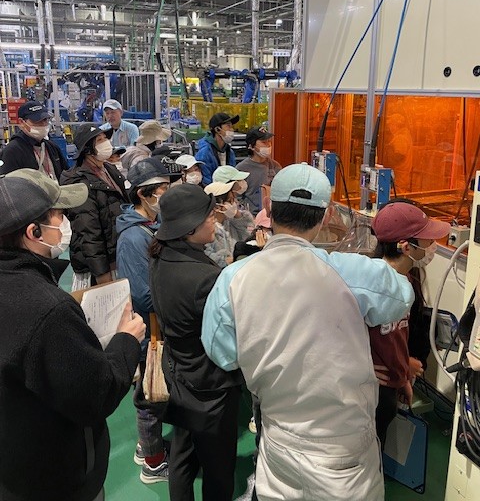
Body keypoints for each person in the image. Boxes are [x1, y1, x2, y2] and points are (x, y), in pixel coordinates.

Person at [202, 163, 414, 501]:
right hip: (344, 449)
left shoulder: (232, 279)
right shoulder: (356, 272)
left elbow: (223, 354)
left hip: (279, 441)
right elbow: (401, 298)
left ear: (269, 207)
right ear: (327, 214)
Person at [0, 171, 145, 501]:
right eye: (58, 215)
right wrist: (126, 340)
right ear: (34, 232)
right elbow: (96, 395)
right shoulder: (48, 310)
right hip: (56, 478)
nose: (65, 223)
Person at [149, 184, 243, 501]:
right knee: (219, 468)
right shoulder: (203, 277)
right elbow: (227, 331)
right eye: (209, 217)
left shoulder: (162, 256)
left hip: (179, 372)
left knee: (183, 454)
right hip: (210, 385)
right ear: (189, 229)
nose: (215, 221)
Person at [116, 158, 182, 485]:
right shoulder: (132, 237)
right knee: (149, 395)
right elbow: (142, 294)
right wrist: (177, 299)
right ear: (143, 194)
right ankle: (153, 463)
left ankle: (148, 447)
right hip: (149, 329)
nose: (166, 195)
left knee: (153, 392)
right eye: (161, 190)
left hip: (158, 324)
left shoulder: (153, 225)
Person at [370, 201, 450, 449]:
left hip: (390, 387)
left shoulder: (406, 283)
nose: (433, 246)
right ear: (406, 247)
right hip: (370, 392)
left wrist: (403, 375)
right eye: (428, 240)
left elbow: (397, 338)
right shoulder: (373, 288)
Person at [61, 124, 129, 286]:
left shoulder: (109, 169)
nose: (106, 143)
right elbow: (88, 232)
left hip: (116, 256)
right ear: (87, 149)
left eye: (105, 138)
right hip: (97, 268)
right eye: (99, 140)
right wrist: (101, 273)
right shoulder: (79, 183)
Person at [0, 101, 68, 180]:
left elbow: (65, 174)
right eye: (37, 121)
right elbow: (6, 183)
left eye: (45, 119)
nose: (43, 124)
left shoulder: (52, 147)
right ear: (22, 122)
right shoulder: (12, 151)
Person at [203, 180, 254, 268]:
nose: (234, 204)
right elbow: (207, 256)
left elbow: (247, 237)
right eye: (230, 201)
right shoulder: (205, 229)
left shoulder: (231, 223)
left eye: (234, 200)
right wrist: (230, 260)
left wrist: (238, 215)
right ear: (217, 206)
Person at [236, 126, 282, 215]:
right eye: (264, 142)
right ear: (251, 146)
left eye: (269, 141)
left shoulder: (275, 166)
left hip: (271, 216)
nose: (268, 145)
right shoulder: (241, 169)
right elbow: (237, 198)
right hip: (251, 217)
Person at [195, 112, 239, 185]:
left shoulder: (229, 152)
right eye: (228, 126)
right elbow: (206, 182)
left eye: (232, 126)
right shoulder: (204, 153)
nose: (232, 130)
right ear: (217, 129)